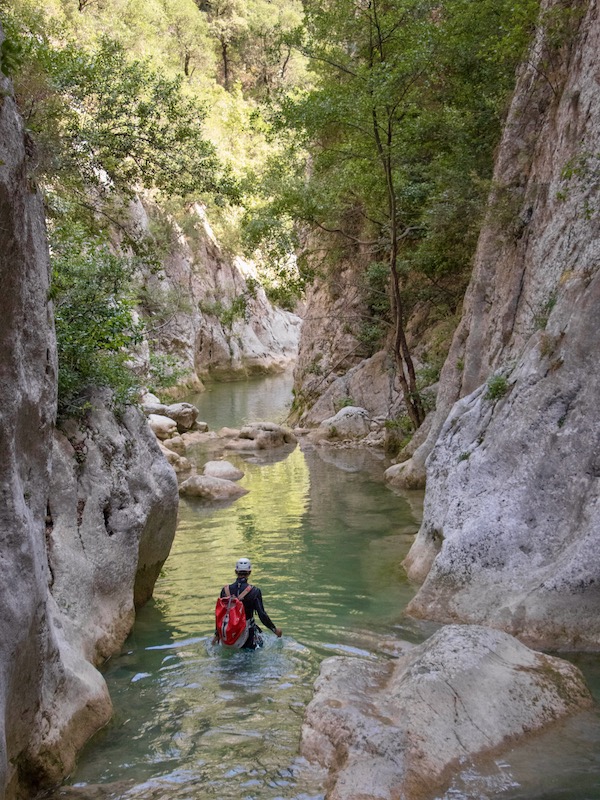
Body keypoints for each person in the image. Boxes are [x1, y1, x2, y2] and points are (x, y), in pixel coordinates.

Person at [214, 557, 282, 649]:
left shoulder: (225, 590)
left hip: (228, 632)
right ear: (249, 572)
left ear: (235, 571)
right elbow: (262, 615)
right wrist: (275, 630)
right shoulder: (254, 591)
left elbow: (220, 615)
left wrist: (217, 634)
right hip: (247, 634)